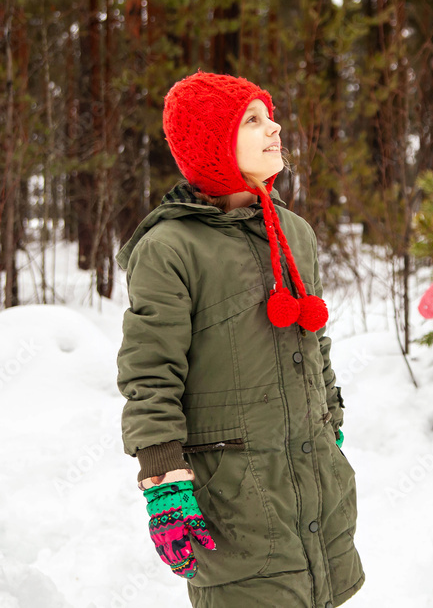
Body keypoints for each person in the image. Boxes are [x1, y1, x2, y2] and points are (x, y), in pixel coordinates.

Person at [115, 71, 365, 607]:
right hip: (236, 500)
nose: (273, 128)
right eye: (252, 120)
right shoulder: (169, 247)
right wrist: (163, 478)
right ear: (212, 142)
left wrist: (331, 424)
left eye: (269, 115)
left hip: (315, 482)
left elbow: (315, 342)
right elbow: (149, 372)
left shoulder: (293, 231)